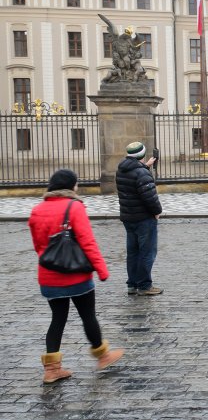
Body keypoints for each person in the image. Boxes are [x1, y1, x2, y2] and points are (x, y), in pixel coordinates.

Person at [29, 169, 124, 383]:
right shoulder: (74, 207)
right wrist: (101, 269)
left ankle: (51, 369)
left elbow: (39, 246)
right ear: (71, 186)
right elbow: (87, 242)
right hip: (76, 275)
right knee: (87, 315)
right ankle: (103, 356)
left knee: (57, 319)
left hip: (49, 276)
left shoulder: (37, 210)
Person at [116, 141, 163, 296]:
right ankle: (144, 285)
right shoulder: (142, 173)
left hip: (129, 217)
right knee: (147, 252)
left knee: (133, 252)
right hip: (144, 218)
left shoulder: (122, 169)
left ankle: (132, 284)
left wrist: (146, 166)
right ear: (142, 155)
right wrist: (157, 212)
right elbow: (149, 197)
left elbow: (133, 181)